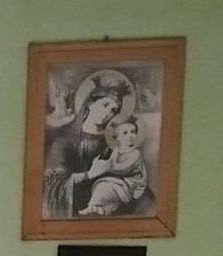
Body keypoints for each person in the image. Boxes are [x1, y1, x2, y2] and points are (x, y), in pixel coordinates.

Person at [43, 70, 152, 219]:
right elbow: (53, 183)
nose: (108, 113)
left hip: (113, 200)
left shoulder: (115, 141)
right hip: (78, 205)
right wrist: (89, 174)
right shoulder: (63, 139)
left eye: (113, 110)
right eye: (105, 105)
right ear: (90, 103)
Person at [78, 117, 148, 216]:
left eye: (133, 132)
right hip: (118, 180)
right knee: (100, 186)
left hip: (130, 183)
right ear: (117, 137)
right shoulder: (116, 150)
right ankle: (96, 208)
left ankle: (93, 207)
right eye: (125, 133)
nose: (130, 136)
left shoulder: (135, 153)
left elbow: (125, 169)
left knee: (105, 187)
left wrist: (107, 167)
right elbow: (110, 162)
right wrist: (101, 164)